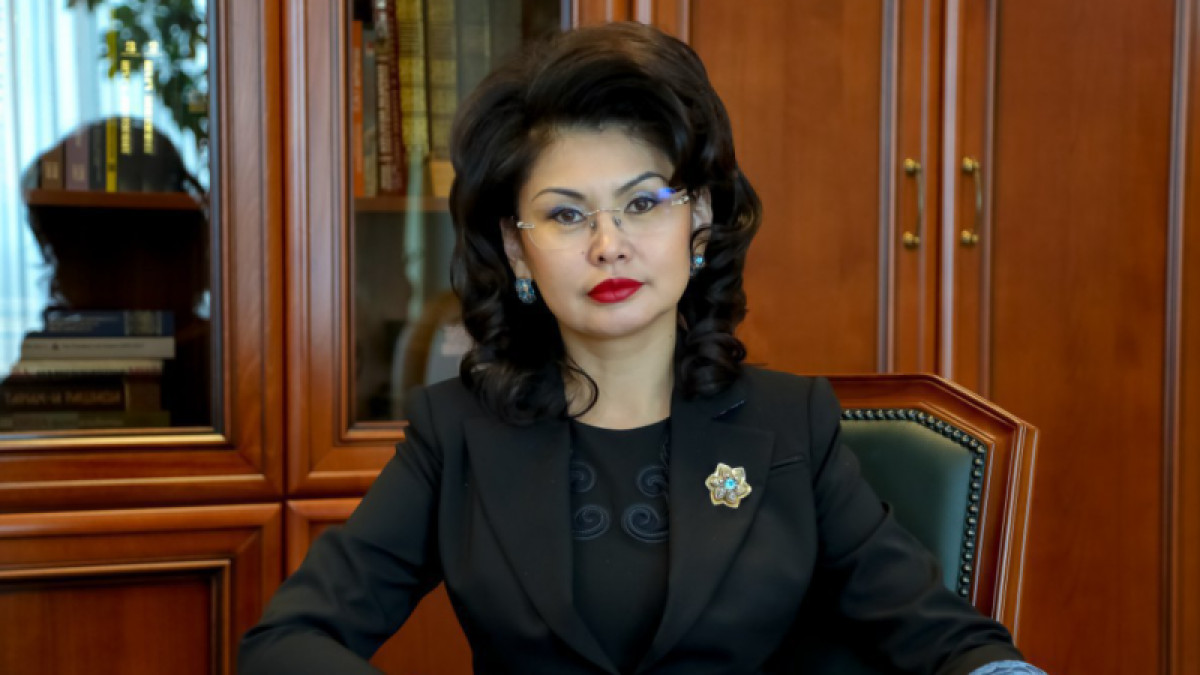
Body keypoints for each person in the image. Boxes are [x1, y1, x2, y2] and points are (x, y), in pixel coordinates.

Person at [239, 22, 1046, 675]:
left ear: (699, 220)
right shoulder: (458, 434)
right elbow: (287, 641)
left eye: (644, 202)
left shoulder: (790, 426)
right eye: (565, 214)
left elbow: (945, 637)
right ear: (517, 250)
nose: (608, 244)